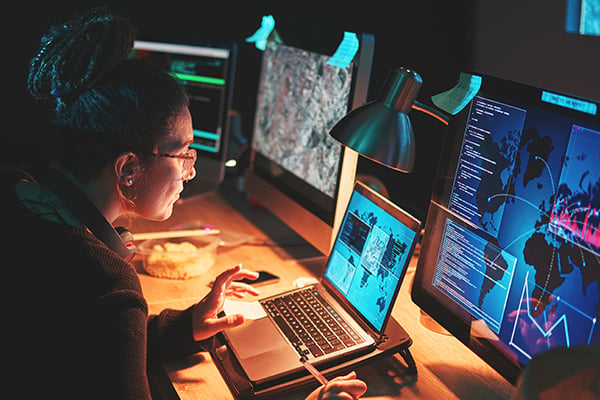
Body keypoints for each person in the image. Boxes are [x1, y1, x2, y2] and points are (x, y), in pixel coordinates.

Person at [1, 8, 367, 400]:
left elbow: (83, 346)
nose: (190, 172)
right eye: (183, 153)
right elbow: (99, 324)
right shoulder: (103, 282)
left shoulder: (18, 188)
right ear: (128, 168)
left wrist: (186, 325)